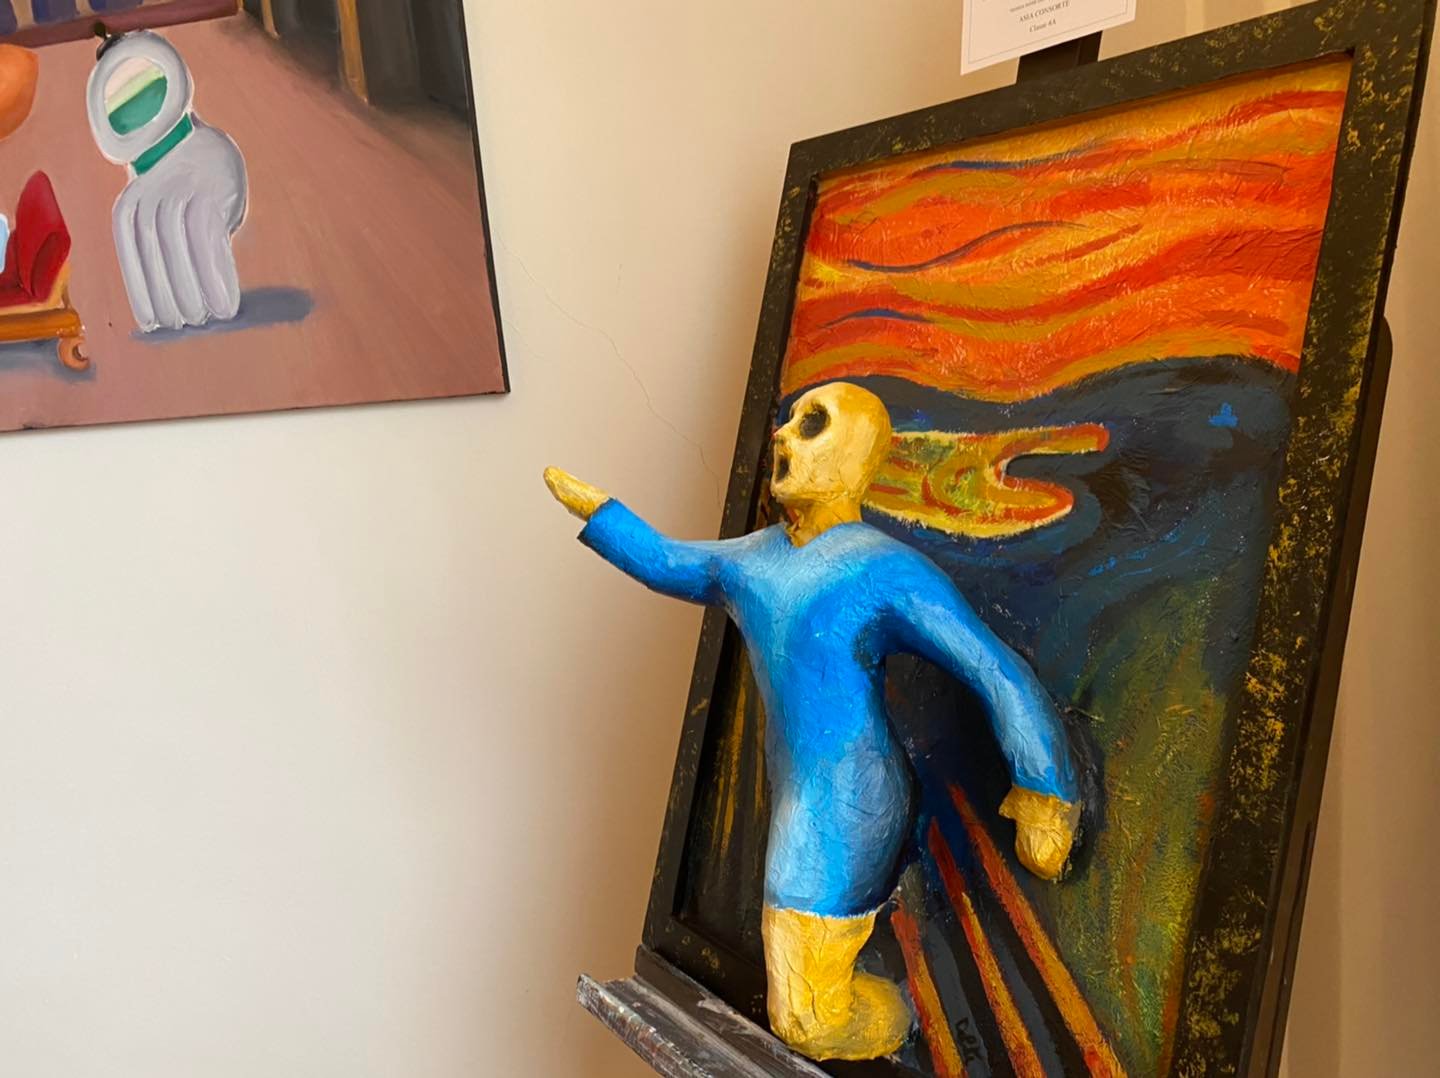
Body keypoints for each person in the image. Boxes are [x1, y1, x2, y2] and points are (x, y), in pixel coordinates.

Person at [545, 381, 1080, 1061]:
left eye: (811, 424)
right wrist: (600, 513)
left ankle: (908, 1020)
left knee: (805, 1024)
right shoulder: (754, 560)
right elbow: (669, 562)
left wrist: (1046, 793)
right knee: (804, 1011)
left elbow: (991, 667)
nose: (781, 435)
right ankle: (903, 1012)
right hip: (797, 797)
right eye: (787, 420)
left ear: (856, 455)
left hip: (849, 802)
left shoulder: (884, 570)